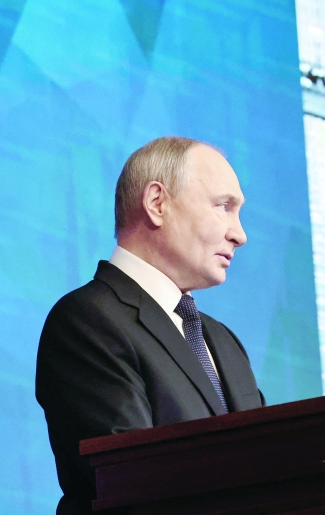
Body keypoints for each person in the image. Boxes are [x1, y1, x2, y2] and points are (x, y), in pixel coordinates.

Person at [36, 137, 265, 515]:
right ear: (157, 204)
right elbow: (135, 481)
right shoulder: (87, 320)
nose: (240, 235)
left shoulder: (225, 343)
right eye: (224, 207)